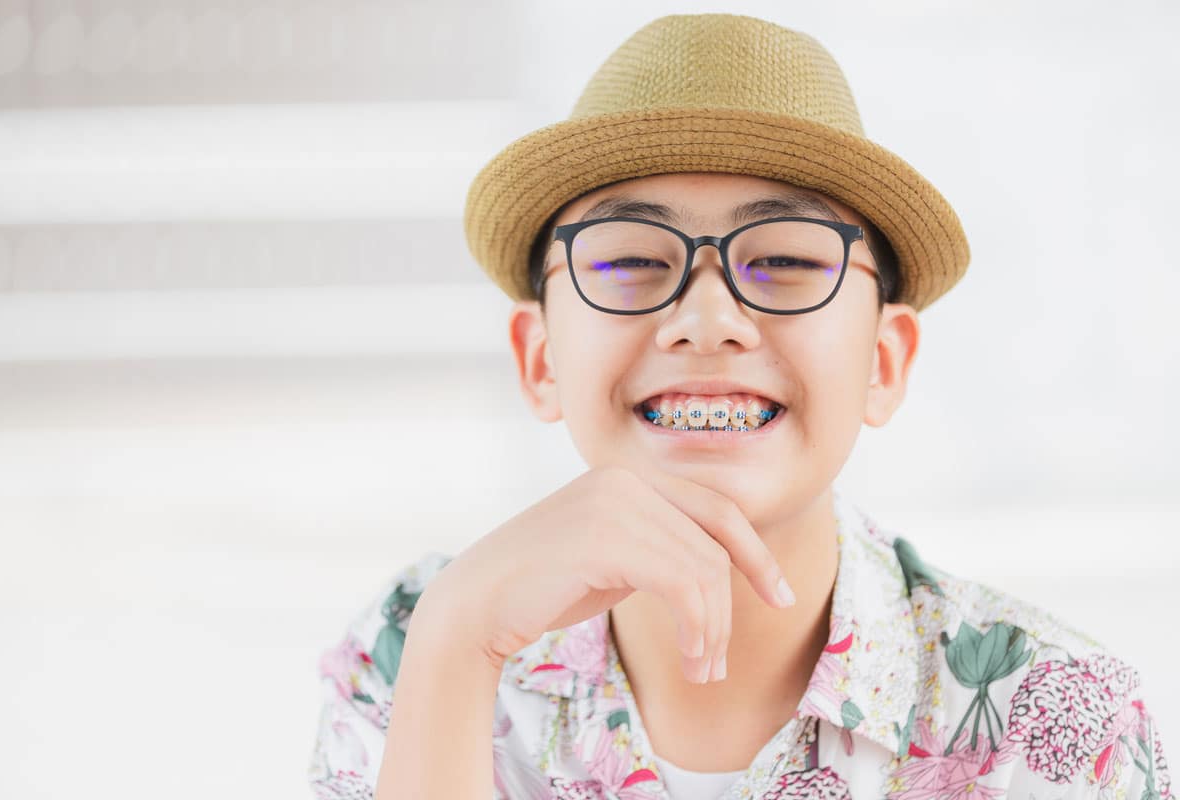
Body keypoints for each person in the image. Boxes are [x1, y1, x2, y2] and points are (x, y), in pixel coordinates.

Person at [307, 13, 1172, 800]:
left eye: (787, 262)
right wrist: (457, 647)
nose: (707, 320)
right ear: (539, 361)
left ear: (883, 361)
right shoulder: (410, 648)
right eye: (630, 262)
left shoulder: (1056, 722)